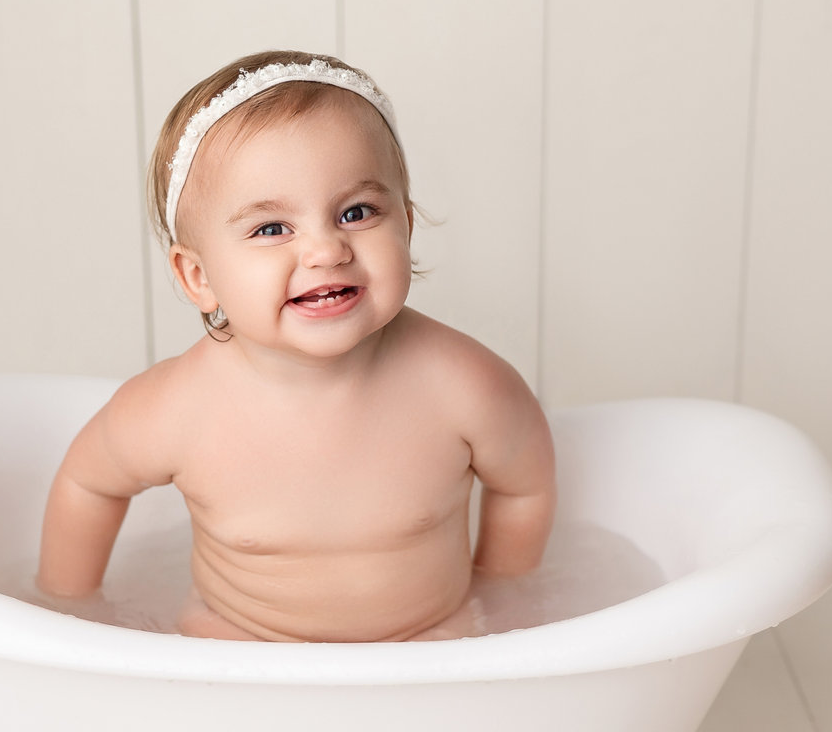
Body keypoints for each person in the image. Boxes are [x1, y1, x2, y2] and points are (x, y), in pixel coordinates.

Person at [36, 49, 555, 642]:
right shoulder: (176, 407)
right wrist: (69, 609)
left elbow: (526, 482)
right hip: (239, 644)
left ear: (405, 227)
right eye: (271, 228)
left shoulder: (463, 384)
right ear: (198, 277)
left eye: (357, 212)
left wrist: (506, 599)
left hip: (429, 642)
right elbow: (87, 484)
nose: (326, 250)